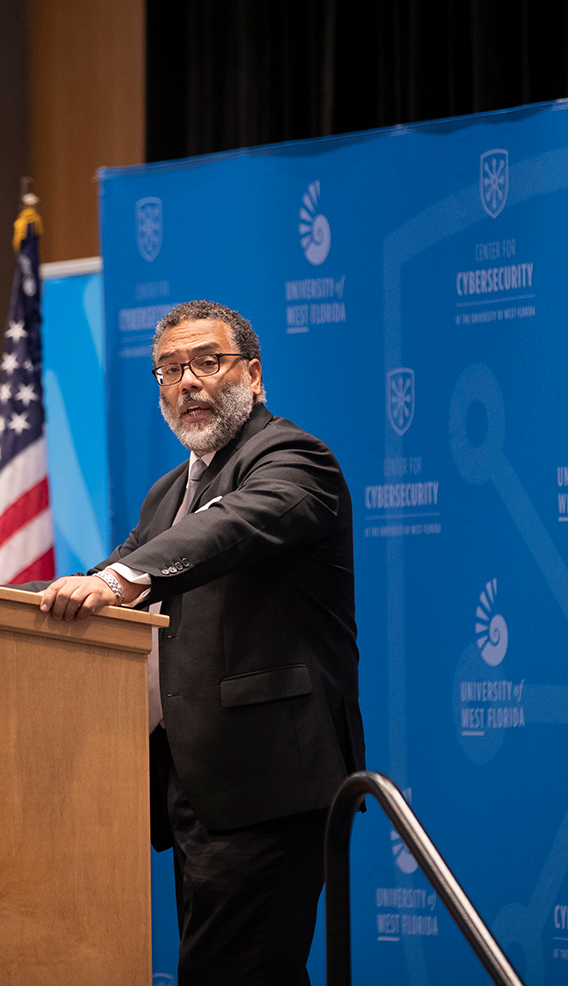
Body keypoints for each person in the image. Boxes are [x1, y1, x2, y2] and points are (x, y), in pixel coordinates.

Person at [37, 300, 364, 985]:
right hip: (196, 784)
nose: (188, 382)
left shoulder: (294, 459)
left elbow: (230, 528)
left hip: (267, 783)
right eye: (170, 369)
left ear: (254, 375)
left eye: (207, 363)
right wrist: (49, 603)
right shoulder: (168, 492)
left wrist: (122, 580)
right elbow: (120, 564)